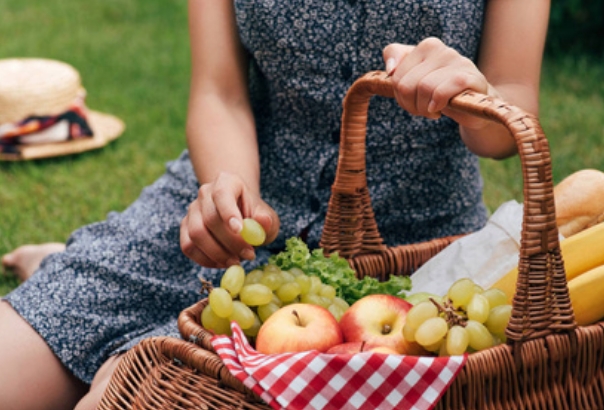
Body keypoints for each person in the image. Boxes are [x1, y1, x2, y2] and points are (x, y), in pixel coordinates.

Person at [0, 0, 550, 408]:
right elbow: (220, 91)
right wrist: (228, 192)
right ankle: (69, 267)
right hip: (226, 206)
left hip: (398, 252)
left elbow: (509, 114)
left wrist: (475, 98)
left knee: (119, 395)